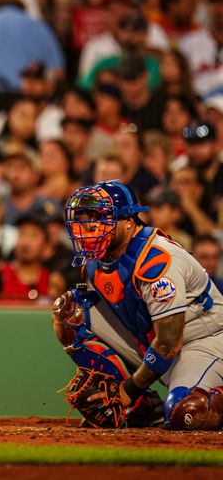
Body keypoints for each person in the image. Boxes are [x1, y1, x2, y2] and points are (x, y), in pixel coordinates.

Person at [52, 180, 223, 430]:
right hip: (154, 342)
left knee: (185, 412)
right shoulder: (95, 261)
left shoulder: (156, 259)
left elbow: (168, 342)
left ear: (129, 221)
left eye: (100, 217)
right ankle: (143, 408)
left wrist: (128, 390)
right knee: (70, 313)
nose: (90, 226)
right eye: (85, 218)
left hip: (201, 342)